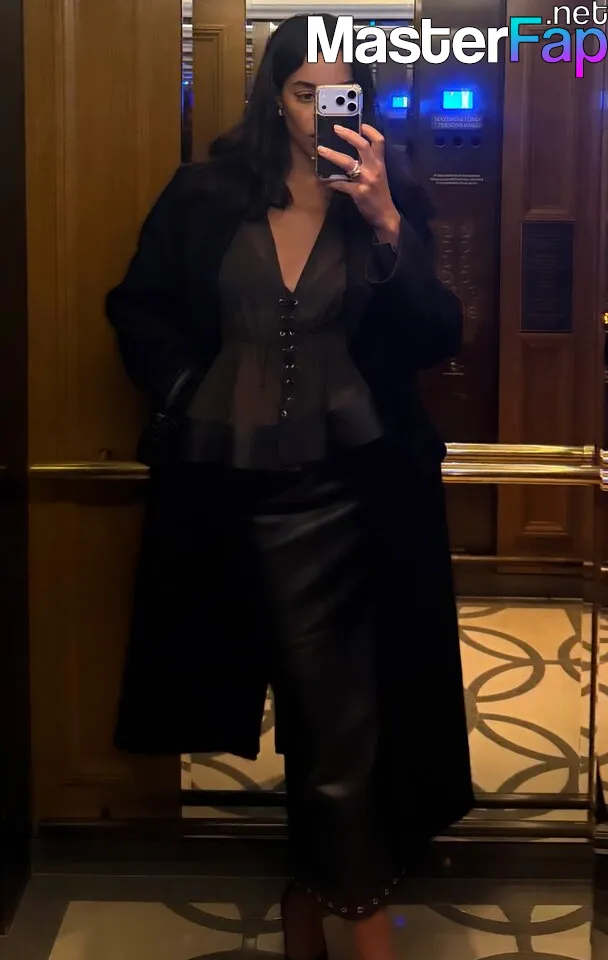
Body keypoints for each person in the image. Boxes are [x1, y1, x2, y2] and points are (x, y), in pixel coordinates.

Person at [106, 13, 474, 960]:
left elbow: (437, 335)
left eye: (337, 94)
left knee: (340, 727)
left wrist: (386, 221)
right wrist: (186, 391)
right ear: (276, 97)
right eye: (304, 92)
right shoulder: (206, 195)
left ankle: (348, 926)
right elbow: (137, 307)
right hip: (227, 498)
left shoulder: (390, 199)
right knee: (320, 720)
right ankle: (305, 909)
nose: (320, 112)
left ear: (364, 103)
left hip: (354, 497)